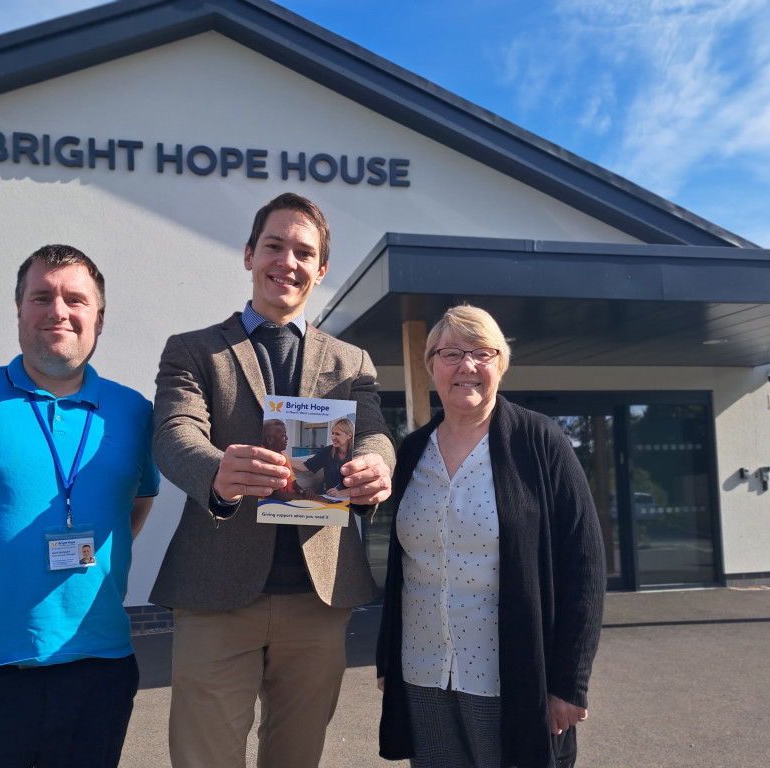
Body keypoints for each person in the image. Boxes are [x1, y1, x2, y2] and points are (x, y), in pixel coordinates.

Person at [151, 192, 396, 768]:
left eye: (303, 252)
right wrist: (217, 471)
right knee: (204, 757)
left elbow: (375, 434)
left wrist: (377, 465)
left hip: (319, 596)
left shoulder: (352, 360)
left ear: (321, 269)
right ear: (248, 255)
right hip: (216, 593)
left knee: (297, 757)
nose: (287, 261)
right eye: (274, 246)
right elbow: (173, 434)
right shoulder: (193, 351)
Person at [0, 244, 160, 768]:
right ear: (19, 309)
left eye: (75, 299)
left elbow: (136, 504)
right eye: (41, 297)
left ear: (98, 318)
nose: (58, 311)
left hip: (98, 663)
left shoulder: (133, 412)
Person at [376, 305, 606, 768]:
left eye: (483, 352)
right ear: (431, 365)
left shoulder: (540, 441)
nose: (467, 366)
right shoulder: (413, 450)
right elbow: (403, 564)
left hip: (511, 677)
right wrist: (386, 658)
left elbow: (584, 564)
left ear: (500, 363)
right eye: (452, 353)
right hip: (424, 671)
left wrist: (569, 682)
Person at [292, 417, 354, 497]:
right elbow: (305, 466)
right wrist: (283, 457)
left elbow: (361, 485)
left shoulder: (356, 453)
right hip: (330, 497)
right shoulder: (327, 452)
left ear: (349, 435)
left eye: (337, 434)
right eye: (332, 433)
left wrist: (341, 493)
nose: (333, 437)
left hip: (350, 499)